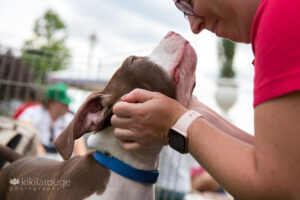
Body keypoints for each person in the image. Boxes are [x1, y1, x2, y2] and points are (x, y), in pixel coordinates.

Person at [111, 0, 300, 199]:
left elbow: (278, 188)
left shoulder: (283, 13)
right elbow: (284, 163)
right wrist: (194, 110)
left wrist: (176, 122)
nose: (194, 27)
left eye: (187, 2)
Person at [16, 82, 87, 159]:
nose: (67, 106)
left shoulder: (68, 118)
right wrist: (37, 143)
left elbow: (79, 143)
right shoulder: (34, 112)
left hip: (59, 158)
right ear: (52, 103)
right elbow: (22, 125)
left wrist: (82, 160)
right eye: (64, 103)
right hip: (35, 157)